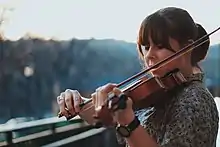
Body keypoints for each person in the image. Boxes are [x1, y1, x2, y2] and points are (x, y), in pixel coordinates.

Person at [57, 7, 219, 147]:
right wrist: (79, 103)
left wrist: (128, 122)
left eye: (160, 46)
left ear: (187, 47)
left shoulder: (195, 99)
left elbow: (128, 125)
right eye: (146, 47)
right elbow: (99, 118)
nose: (149, 56)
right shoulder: (162, 93)